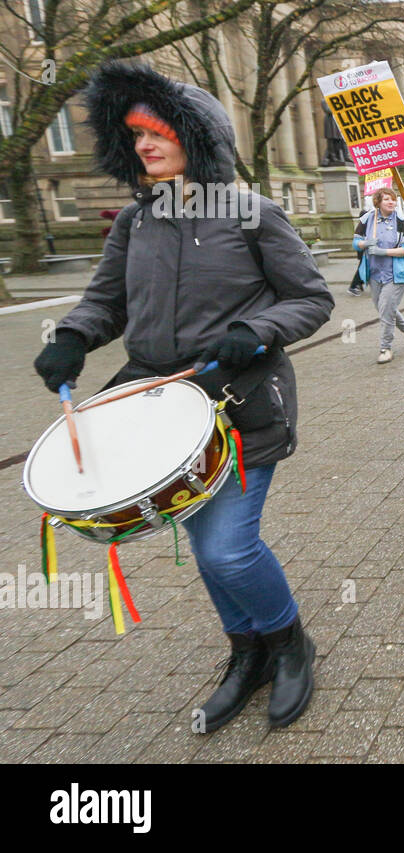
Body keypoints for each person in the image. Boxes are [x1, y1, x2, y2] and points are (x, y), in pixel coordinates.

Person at [35, 61, 334, 731]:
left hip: (240, 404)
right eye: (134, 133)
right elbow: (105, 301)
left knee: (228, 548)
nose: (144, 143)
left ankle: (289, 643)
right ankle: (246, 651)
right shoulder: (133, 224)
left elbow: (313, 299)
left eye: (158, 129)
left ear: (195, 135)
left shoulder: (253, 213)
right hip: (159, 414)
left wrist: (254, 330)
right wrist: (74, 337)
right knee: (206, 547)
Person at [352, 189, 404, 363]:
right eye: (387, 199)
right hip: (374, 274)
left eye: (393, 199)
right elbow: (355, 242)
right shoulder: (367, 219)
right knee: (386, 309)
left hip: (395, 275)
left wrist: (384, 251)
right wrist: (365, 243)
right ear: (378, 202)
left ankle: (385, 348)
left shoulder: (401, 220)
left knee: (385, 311)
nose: (391, 202)